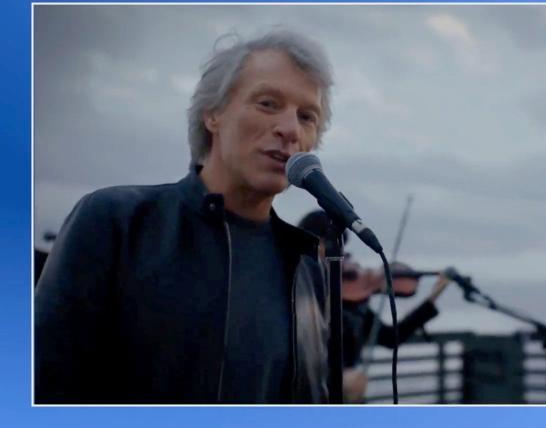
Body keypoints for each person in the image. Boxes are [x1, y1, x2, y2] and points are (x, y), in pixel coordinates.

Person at [35, 30, 335, 403]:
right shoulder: (115, 222)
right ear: (213, 113)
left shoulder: (307, 266)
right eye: (268, 103)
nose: (290, 129)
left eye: (307, 116)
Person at [297, 210, 451, 402]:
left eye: (338, 245)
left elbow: (390, 338)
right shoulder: (294, 291)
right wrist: (335, 378)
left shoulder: (351, 302)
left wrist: (433, 297)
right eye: (324, 243)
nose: (335, 254)